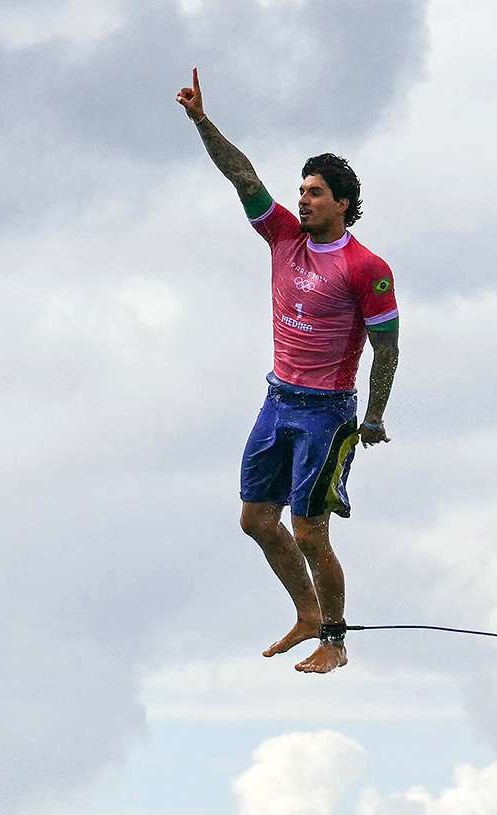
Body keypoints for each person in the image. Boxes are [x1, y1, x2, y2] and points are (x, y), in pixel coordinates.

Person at [176, 67, 401, 674]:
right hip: (278, 400)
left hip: (327, 413)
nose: (302, 199)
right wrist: (201, 120)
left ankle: (335, 637)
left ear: (343, 205)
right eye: (301, 191)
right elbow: (242, 175)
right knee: (256, 519)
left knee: (309, 530)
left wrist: (375, 415)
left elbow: (387, 345)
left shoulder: (365, 267)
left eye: (315, 193)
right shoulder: (282, 237)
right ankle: (305, 613)